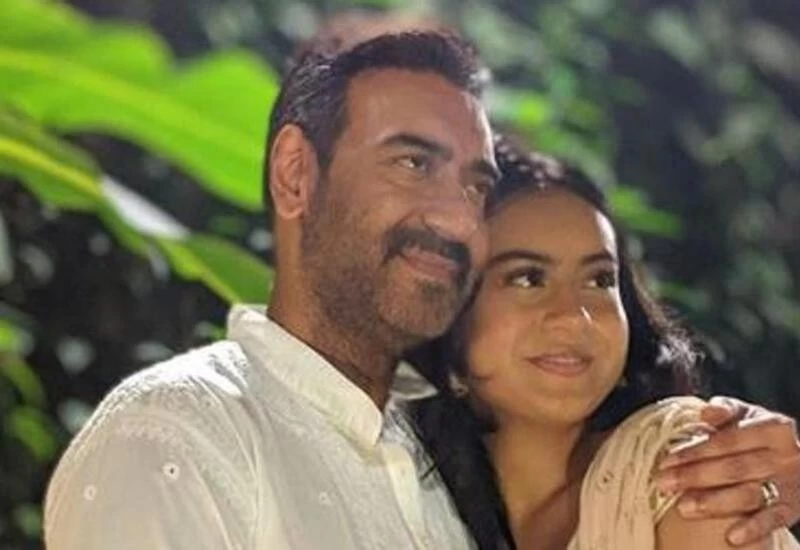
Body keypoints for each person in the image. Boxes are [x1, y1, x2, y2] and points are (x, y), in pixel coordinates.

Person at [43, 27, 800, 550]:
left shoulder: (440, 460)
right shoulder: (176, 440)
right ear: (296, 174)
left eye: (475, 184)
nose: (455, 217)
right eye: (412, 163)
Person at [410, 137, 800, 549]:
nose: (574, 316)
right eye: (528, 278)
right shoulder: (399, 481)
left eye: (599, 280)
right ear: (448, 309)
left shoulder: (683, 472)